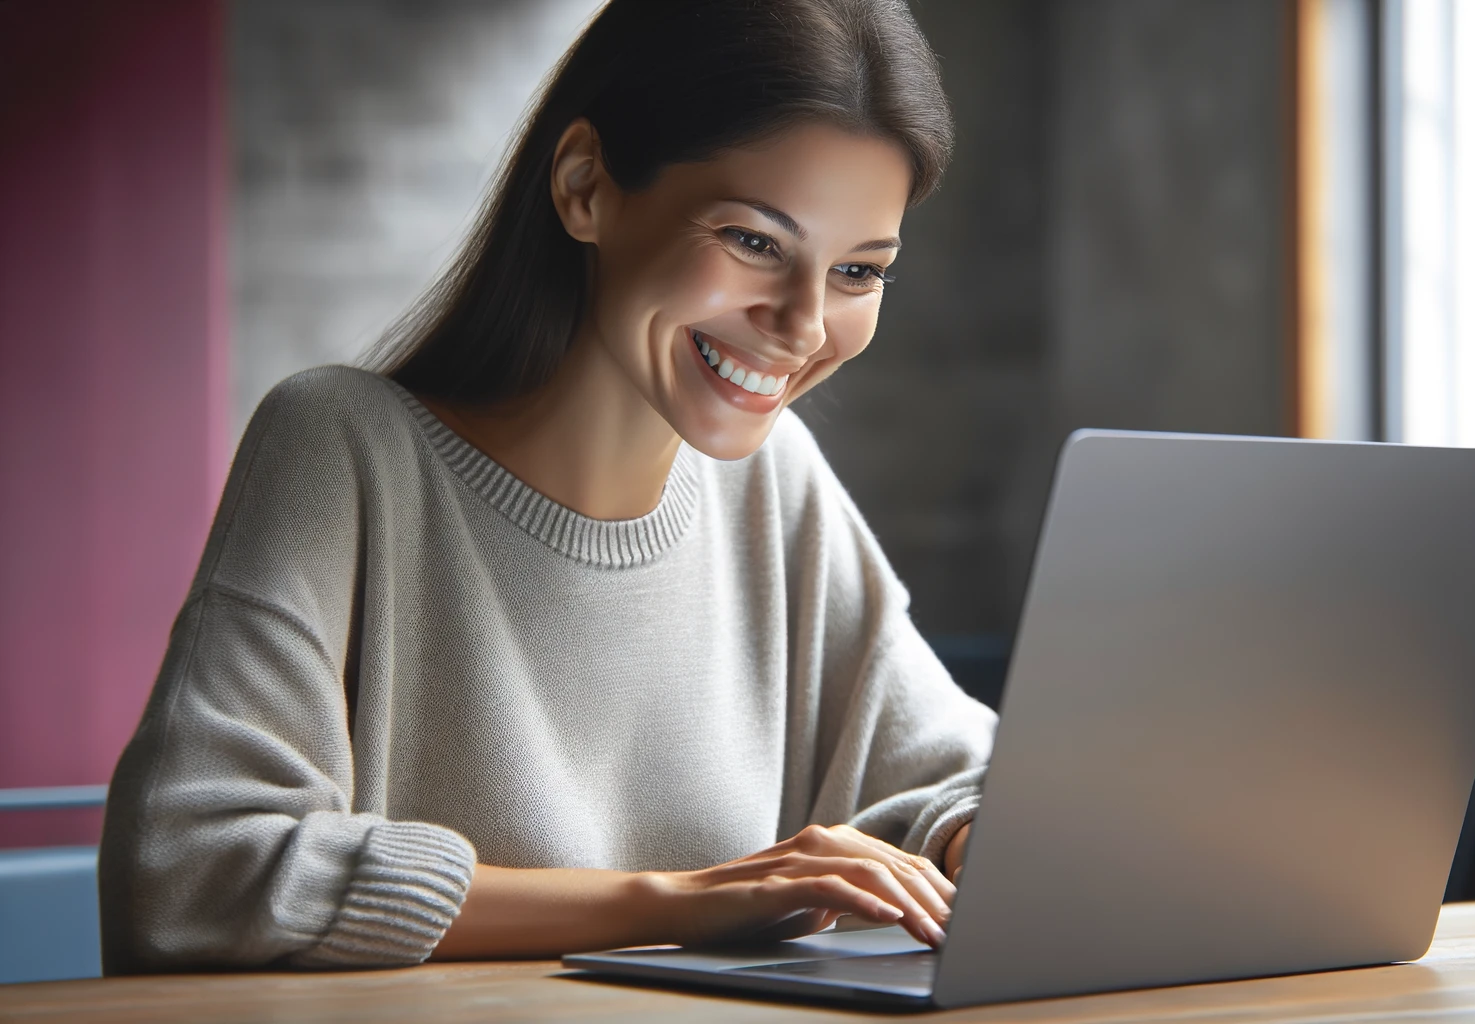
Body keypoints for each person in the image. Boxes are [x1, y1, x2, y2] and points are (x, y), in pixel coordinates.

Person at [99, 0, 996, 972]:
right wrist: (677, 902)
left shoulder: (775, 485)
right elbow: (188, 870)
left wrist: (975, 835)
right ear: (584, 187)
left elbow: (958, 775)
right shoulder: (343, 450)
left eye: (859, 270)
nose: (802, 324)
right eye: (753, 241)